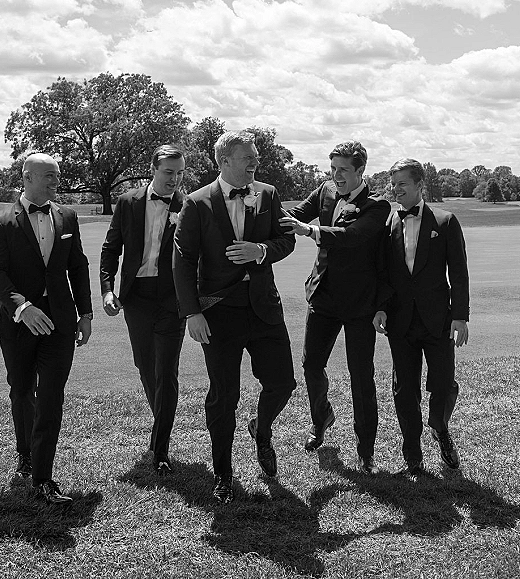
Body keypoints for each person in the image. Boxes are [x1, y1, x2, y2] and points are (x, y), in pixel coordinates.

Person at [173, 131, 296, 503]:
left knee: (283, 383)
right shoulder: (195, 204)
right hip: (218, 312)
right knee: (224, 396)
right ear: (224, 161)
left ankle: (261, 429)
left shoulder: (269, 194)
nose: (254, 162)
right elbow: (182, 261)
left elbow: (286, 240)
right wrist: (192, 312)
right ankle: (223, 474)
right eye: (248, 157)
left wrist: (261, 250)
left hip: (264, 307)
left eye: (255, 156)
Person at [0, 153, 92, 506]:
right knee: (22, 390)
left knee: (50, 396)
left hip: (60, 321)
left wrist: (86, 313)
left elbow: (78, 266)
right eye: (49, 176)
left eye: (57, 176)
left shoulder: (68, 216)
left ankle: (43, 478)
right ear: (27, 177)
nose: (55, 182)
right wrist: (22, 307)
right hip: (18, 322)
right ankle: (25, 454)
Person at [279, 141, 390, 474]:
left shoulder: (377, 205)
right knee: (311, 365)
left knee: (361, 377)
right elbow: (294, 215)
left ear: (360, 171)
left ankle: (365, 450)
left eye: (343, 170)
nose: (335, 176)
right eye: (333, 169)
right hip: (323, 296)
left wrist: (310, 231)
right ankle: (321, 417)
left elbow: (351, 236)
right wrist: (259, 213)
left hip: (360, 304)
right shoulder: (326, 190)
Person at [373, 158, 469, 475]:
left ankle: (440, 427)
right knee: (405, 390)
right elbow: (382, 273)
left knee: (444, 384)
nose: (395, 189)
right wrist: (381, 307)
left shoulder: (445, 221)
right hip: (400, 322)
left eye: (401, 183)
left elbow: (459, 273)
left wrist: (460, 316)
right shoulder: (388, 224)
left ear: (419, 185)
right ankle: (413, 455)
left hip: (438, 320)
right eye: (393, 183)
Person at [100, 145, 186, 476]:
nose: (174, 180)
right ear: (153, 169)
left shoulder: (188, 205)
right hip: (135, 298)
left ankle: (160, 448)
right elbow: (110, 249)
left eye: (180, 174)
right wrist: (108, 290)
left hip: (171, 299)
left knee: (166, 371)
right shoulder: (127, 202)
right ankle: (160, 425)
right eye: (168, 172)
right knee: (145, 366)